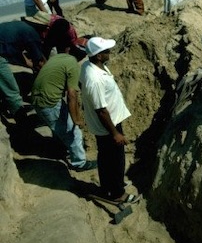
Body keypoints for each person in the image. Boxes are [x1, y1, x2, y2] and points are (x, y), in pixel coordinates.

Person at [79, 37, 139, 203]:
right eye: (106, 51)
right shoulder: (95, 79)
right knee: (114, 160)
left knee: (107, 158)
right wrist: (115, 133)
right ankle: (117, 194)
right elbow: (101, 111)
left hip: (110, 123)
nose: (109, 52)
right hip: (107, 126)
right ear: (98, 56)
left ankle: (111, 186)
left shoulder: (89, 65)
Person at [30, 26, 96, 172]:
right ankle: (79, 163)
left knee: (57, 125)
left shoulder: (59, 58)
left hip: (37, 100)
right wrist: (76, 119)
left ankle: (59, 148)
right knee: (73, 132)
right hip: (49, 102)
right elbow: (72, 95)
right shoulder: (72, 65)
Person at [0, 20, 47, 120]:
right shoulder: (32, 35)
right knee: (11, 89)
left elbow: (20, 55)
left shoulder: (23, 27)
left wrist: (31, 66)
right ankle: (19, 115)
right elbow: (39, 62)